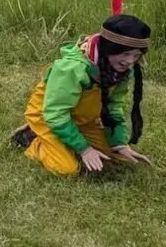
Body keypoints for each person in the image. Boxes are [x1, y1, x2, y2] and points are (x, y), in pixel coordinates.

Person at [11, 12, 153, 176]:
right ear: (109, 49)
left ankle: (71, 137)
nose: (129, 61)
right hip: (48, 117)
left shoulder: (121, 71)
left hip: (82, 119)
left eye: (136, 55)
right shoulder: (72, 68)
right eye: (125, 53)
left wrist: (119, 143)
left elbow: (113, 106)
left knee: (117, 156)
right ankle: (33, 140)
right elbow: (55, 113)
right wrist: (84, 149)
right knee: (66, 168)